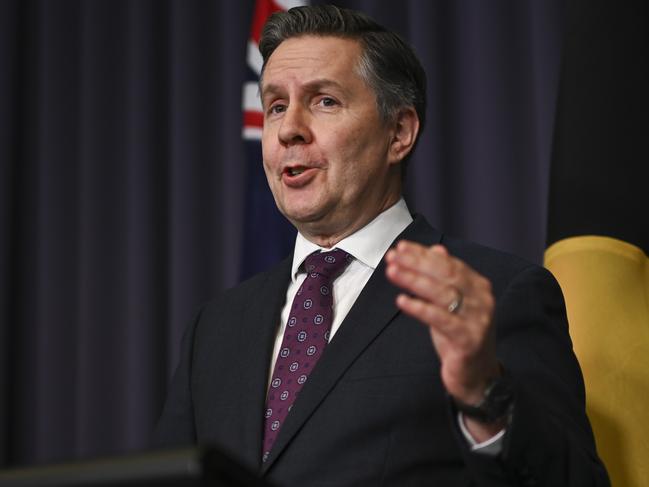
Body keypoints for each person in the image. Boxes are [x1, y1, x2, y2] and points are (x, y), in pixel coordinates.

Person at [155, 5, 609, 486]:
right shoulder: (216, 327)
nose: (289, 129)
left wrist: (485, 395)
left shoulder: (495, 293)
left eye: (324, 101)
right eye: (276, 106)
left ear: (399, 133)